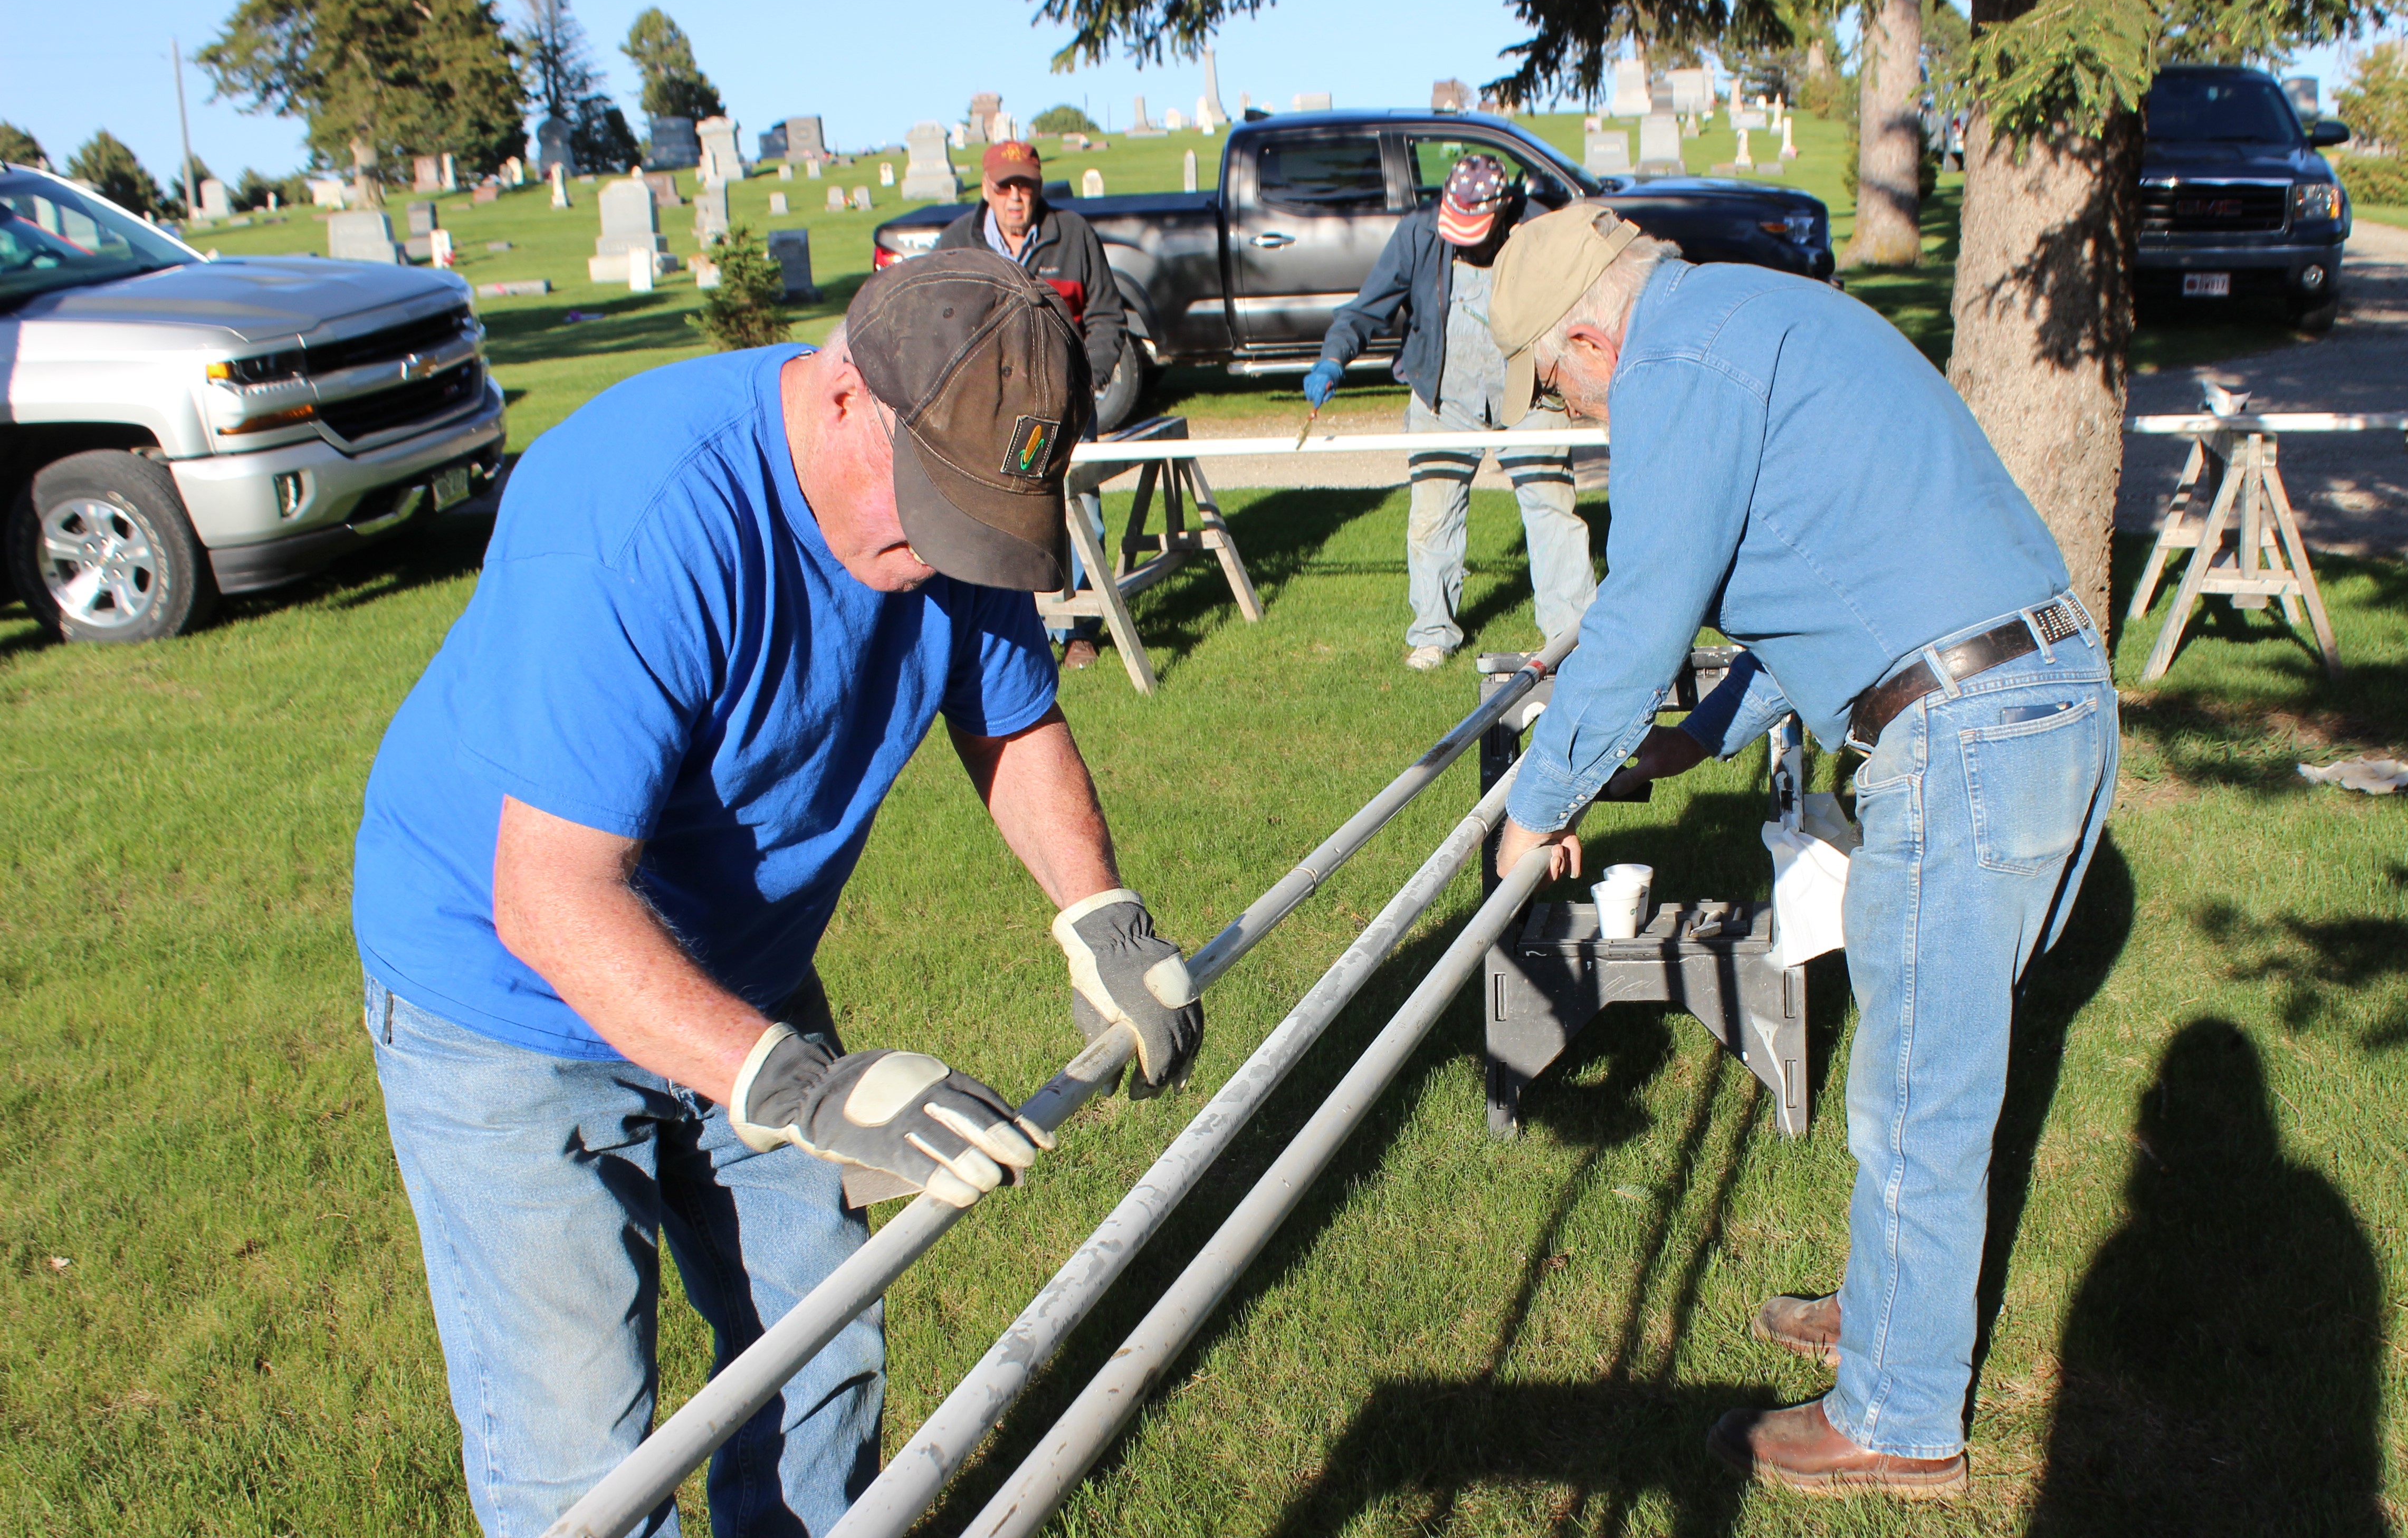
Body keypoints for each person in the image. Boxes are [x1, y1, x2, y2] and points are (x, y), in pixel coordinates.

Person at [351, 252, 1203, 1536]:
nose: (937, 559)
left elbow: (1010, 719)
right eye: (929, 512)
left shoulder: (954, 492)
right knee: (583, 1457)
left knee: (819, 1348)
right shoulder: (645, 513)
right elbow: (551, 897)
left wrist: (1103, 915)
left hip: (734, 960)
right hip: (508, 998)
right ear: (851, 393)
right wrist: (799, 1084)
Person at [1486, 202, 2116, 1497]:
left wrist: (1542, 803)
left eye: (1557, 384)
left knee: (1918, 1096)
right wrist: (1689, 743)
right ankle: (1900, 1315)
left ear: (1590, 334)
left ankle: (1897, 1416)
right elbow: (1817, 579)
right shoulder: (1749, 319)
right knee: (1928, 1066)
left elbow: (1650, 601)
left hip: (1966, 730)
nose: (1580, 411)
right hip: (2026, 695)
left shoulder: (1676, 368)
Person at [1302, 152, 1596, 672]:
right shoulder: (1419, 233)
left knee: (1553, 511)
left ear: (1503, 208)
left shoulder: (1536, 233)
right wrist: (1332, 359)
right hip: (1441, 395)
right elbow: (1366, 308)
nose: (1462, 239)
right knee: (1432, 519)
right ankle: (1433, 635)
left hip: (1527, 394)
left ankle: (1571, 635)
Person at [937, 140, 1129, 671]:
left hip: (1066, 405)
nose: (1016, 197)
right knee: (998, 513)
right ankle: (1011, 630)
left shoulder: (1074, 235)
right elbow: (938, 324)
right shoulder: (957, 243)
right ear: (986, 190)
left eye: (1025, 186)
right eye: (1006, 187)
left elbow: (1109, 316)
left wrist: (1086, 378)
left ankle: (1078, 630)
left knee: (1078, 510)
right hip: (992, 411)